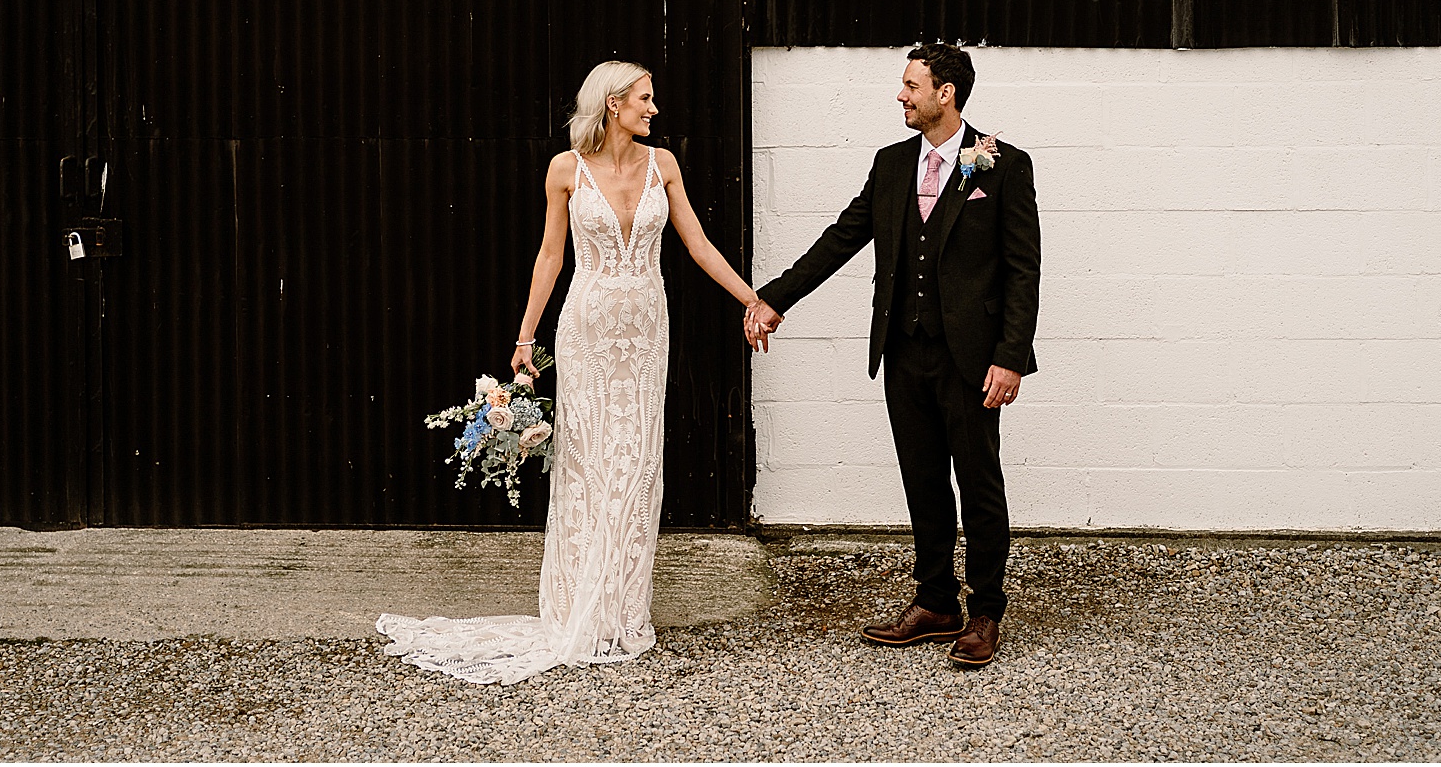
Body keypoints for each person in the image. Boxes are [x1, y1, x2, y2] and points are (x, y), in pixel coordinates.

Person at [378, 60, 762, 684]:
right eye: (644, 99)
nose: (653, 109)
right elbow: (551, 254)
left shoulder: (663, 165)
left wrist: (752, 300)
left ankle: (620, 609)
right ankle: (574, 605)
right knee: (587, 461)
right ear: (613, 104)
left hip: (644, 333)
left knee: (636, 462)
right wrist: (526, 334)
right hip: (584, 331)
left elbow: (697, 244)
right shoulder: (565, 169)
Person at [744, 43, 1039, 668]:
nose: (901, 96)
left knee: (979, 481)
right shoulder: (890, 164)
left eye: (911, 85)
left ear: (946, 93)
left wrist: (1011, 356)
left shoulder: (1003, 165)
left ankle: (985, 609)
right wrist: (774, 298)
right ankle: (936, 600)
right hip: (904, 351)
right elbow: (840, 239)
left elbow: (1022, 271)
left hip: (973, 358)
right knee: (923, 477)